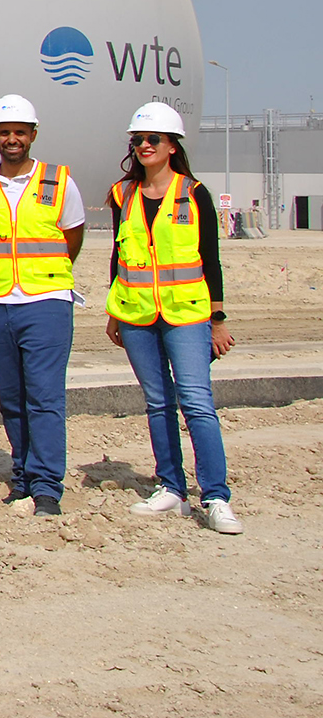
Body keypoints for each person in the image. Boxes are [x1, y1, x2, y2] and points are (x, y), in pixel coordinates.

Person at [106, 102, 241, 534]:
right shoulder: (121, 194)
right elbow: (119, 255)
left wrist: (217, 320)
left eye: (153, 140)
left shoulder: (195, 192)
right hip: (137, 315)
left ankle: (216, 497)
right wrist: (114, 311)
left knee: (198, 404)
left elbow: (210, 260)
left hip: (186, 315)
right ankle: (172, 489)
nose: (145, 146)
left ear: (171, 146)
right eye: (139, 140)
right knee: (158, 403)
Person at [0, 95, 84, 517]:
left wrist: (45, 276)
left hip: (45, 304)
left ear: (33, 135)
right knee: (11, 397)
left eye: (20, 132)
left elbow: (72, 238)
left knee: (44, 398)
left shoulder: (58, 181)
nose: (12, 139)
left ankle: (46, 487)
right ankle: (23, 477)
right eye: (4, 132)